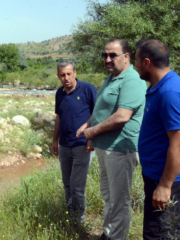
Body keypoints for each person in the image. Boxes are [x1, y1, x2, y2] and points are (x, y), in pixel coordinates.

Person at [76, 38, 147, 240]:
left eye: (112, 55)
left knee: (120, 200)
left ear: (126, 57)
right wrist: (88, 124)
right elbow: (103, 108)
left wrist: (93, 132)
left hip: (121, 148)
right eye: (104, 55)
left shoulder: (132, 80)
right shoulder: (112, 77)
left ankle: (117, 237)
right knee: (108, 196)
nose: (107, 59)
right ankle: (108, 234)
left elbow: (122, 116)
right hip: (105, 147)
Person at [135, 39, 180, 239]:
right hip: (155, 176)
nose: (134, 67)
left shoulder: (169, 92)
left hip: (167, 182)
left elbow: (178, 143)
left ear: (146, 63)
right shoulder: (159, 87)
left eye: (136, 61)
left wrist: (165, 185)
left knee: (162, 233)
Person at [52, 60, 97, 223]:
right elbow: (59, 117)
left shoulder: (88, 89)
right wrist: (54, 140)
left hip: (82, 146)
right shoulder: (59, 93)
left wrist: (91, 137)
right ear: (58, 76)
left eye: (69, 74)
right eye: (62, 75)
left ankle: (80, 219)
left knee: (77, 185)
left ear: (75, 73)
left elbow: (97, 114)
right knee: (67, 184)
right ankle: (70, 215)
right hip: (64, 146)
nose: (66, 78)